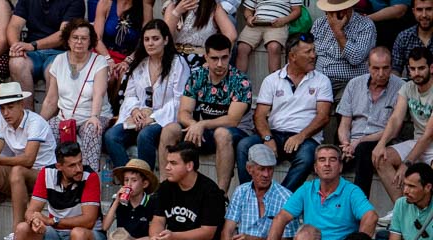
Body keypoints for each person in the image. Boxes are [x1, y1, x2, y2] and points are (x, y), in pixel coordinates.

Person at [235, 34, 334, 191]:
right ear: (292, 56)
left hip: (305, 138)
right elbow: (259, 115)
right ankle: (249, 196)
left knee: (307, 157)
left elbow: (323, 117)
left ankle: (280, 200)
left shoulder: (322, 80)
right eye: (308, 52)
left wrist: (300, 136)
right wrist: (267, 138)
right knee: (244, 146)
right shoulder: (272, 80)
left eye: (313, 51)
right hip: (275, 134)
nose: (313, 56)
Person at [126, 144, 224, 240]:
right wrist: (155, 237)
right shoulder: (166, 187)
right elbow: (158, 220)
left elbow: (207, 232)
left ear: (189, 165)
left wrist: (174, 236)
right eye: (167, 162)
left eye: (173, 163)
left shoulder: (210, 191)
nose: (167, 167)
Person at [155, 35, 247, 192]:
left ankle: (221, 195)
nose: (220, 63)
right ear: (206, 56)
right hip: (202, 132)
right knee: (170, 129)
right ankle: (165, 188)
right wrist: (193, 125)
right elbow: (183, 112)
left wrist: (201, 124)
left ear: (230, 55)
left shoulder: (240, 80)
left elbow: (233, 120)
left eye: (224, 58)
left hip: (234, 133)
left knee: (222, 134)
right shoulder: (198, 76)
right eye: (214, 58)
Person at [12, 143, 101, 240]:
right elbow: (31, 211)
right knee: (22, 229)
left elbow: (89, 221)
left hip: (89, 237)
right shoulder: (47, 173)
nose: (79, 168)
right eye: (72, 165)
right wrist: (35, 221)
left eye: (80, 162)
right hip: (57, 238)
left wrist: (52, 221)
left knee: (78, 234)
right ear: (59, 166)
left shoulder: (90, 177)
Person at [269, 145, 378, 240]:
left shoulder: (351, 192)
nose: (327, 164)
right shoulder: (307, 189)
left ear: (340, 167)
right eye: (322, 160)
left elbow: (371, 217)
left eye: (332, 160)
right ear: (316, 167)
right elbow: (280, 218)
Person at [103, 21, 189, 171]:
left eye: (155, 39)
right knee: (111, 136)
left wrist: (153, 118)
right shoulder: (140, 63)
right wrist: (135, 111)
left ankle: (146, 183)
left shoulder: (178, 63)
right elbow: (130, 94)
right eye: (146, 39)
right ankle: (130, 181)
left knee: (145, 135)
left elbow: (179, 100)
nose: (150, 43)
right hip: (140, 117)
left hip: (166, 118)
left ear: (166, 40)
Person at [0, 82, 55, 226]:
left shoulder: (35, 122)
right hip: (21, 176)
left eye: (10, 107)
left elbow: (28, 160)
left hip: (45, 177)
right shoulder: (2, 122)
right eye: (2, 108)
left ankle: (17, 230)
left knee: (17, 171)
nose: (5, 113)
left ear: (21, 104)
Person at [217, 144, 296, 240]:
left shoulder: (285, 197)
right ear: (249, 169)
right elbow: (227, 232)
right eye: (261, 169)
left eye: (270, 169)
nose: (266, 174)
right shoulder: (241, 191)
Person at [41, 21, 112, 172]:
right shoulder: (59, 61)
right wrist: (39, 122)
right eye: (75, 37)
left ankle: (89, 178)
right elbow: (51, 99)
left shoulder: (99, 62)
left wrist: (94, 116)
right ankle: (54, 178)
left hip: (93, 115)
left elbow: (98, 94)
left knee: (92, 130)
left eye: (84, 38)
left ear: (90, 41)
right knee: (47, 130)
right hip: (65, 117)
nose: (79, 42)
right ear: (68, 40)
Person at [338, 48, 404, 197]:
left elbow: (394, 130)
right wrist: (346, 144)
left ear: (391, 67)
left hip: (383, 139)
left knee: (363, 150)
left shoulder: (401, 87)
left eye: (385, 68)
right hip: (353, 141)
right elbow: (344, 123)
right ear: (368, 67)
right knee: (328, 156)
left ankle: (361, 206)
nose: (381, 74)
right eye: (376, 68)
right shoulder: (354, 84)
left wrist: (358, 142)